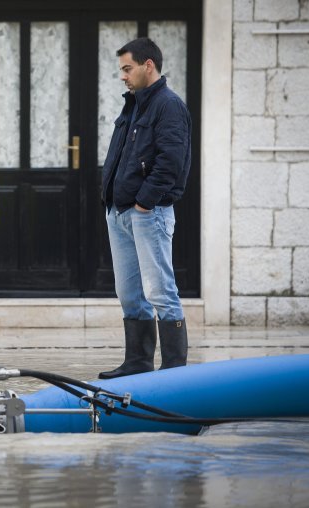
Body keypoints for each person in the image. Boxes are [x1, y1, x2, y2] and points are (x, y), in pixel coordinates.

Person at [99, 37, 192, 379]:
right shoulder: (134, 104)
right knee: (129, 293)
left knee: (160, 291)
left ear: (147, 65)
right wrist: (112, 199)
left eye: (127, 68)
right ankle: (137, 364)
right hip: (120, 212)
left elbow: (172, 161)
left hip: (147, 213)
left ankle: (173, 373)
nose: (123, 76)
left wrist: (143, 202)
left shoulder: (168, 105)